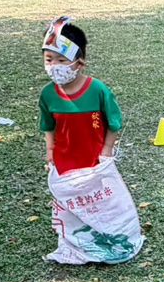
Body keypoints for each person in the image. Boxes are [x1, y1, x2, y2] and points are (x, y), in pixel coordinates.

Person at [38, 16, 121, 175]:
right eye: (49, 60)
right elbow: (48, 125)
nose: (54, 66)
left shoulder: (98, 90)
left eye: (61, 60)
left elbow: (113, 122)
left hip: (95, 161)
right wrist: (50, 150)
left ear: (80, 63)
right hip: (63, 162)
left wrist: (107, 148)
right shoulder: (48, 94)